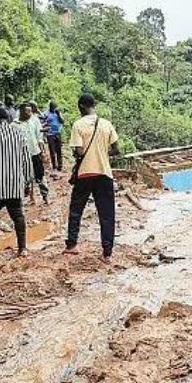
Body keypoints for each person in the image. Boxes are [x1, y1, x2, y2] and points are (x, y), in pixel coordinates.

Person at [65, 94, 120, 260]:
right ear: (94, 105)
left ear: (81, 106)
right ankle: (107, 252)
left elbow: (79, 151)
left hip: (85, 173)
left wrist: (79, 153)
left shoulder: (78, 125)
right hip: (104, 173)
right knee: (107, 213)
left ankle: (72, 244)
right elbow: (116, 149)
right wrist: (103, 152)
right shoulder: (106, 124)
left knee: (76, 209)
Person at [0, 107, 34, 256]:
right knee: (17, 214)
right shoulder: (19, 134)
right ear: (6, 119)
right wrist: (28, 182)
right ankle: (22, 248)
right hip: (15, 184)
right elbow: (26, 160)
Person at [16, 102, 50, 204]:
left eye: (30, 111)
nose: (30, 113)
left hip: (35, 152)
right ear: (21, 111)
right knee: (25, 176)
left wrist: (42, 151)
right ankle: (29, 197)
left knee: (40, 175)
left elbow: (39, 137)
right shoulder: (14, 124)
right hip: (22, 155)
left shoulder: (34, 120)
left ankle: (45, 196)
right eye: (27, 111)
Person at [43, 101, 65, 172]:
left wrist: (58, 114)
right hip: (50, 134)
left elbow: (62, 122)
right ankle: (54, 166)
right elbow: (43, 122)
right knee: (52, 151)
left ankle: (60, 165)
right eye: (53, 107)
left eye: (55, 107)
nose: (54, 108)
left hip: (57, 134)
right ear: (50, 107)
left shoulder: (58, 113)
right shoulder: (46, 113)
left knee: (59, 150)